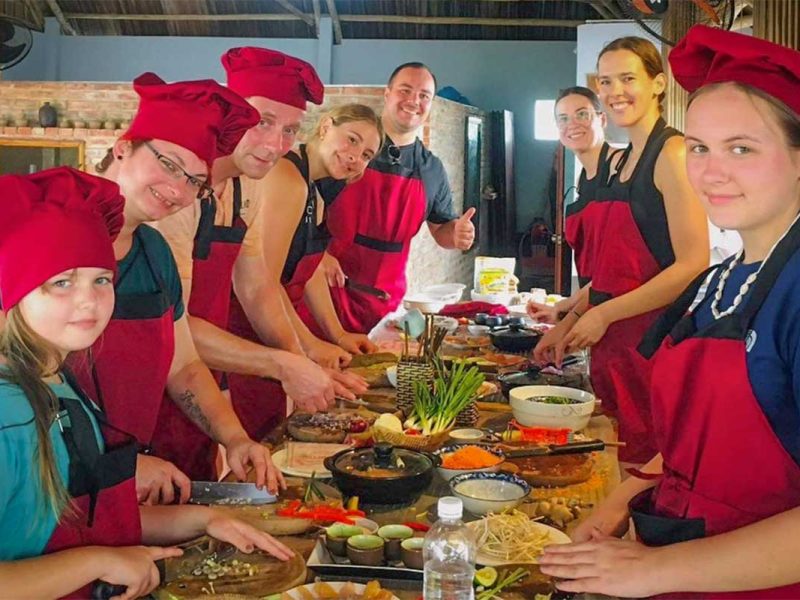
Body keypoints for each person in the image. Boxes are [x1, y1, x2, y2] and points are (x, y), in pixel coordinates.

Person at [540, 25, 800, 598]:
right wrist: (621, 498)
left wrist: (653, 571)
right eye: (702, 148)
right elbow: (691, 440)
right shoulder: (722, 283)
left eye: (742, 148)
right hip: (686, 559)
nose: (709, 171)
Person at [0, 167, 292, 599]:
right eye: (61, 282)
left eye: (101, 279)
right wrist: (99, 561)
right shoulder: (10, 413)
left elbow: (89, 517)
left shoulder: (57, 384)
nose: (89, 300)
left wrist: (204, 519)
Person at [153, 48, 368, 480]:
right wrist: (284, 364)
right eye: (262, 121)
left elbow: (257, 285)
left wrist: (301, 361)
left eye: (289, 130)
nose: (275, 145)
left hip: (200, 374)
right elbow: (171, 326)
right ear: (231, 110)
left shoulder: (244, 188)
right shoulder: (177, 195)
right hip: (150, 384)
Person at [72, 72, 282, 503]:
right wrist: (117, 465)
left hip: (130, 487)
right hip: (54, 492)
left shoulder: (153, 250)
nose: (177, 190)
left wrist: (235, 438)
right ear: (123, 147)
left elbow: (182, 365)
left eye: (194, 181)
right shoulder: (56, 233)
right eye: (168, 164)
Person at [533, 37, 709, 464]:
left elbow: (693, 263)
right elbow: (613, 274)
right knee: (621, 463)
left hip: (655, 344)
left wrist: (602, 314)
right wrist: (571, 321)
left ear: (658, 84)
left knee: (653, 465)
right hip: (615, 346)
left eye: (628, 78)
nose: (615, 91)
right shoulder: (623, 160)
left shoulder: (672, 151)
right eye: (607, 81)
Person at [223, 104, 383, 440]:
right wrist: (306, 348)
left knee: (271, 428)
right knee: (257, 435)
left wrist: (337, 335)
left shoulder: (317, 187)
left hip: (275, 331)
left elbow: (307, 270)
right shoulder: (287, 178)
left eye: (366, 154)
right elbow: (265, 281)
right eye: (351, 140)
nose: (355, 156)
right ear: (325, 126)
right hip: (249, 329)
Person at [317, 62, 476, 334]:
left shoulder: (431, 169)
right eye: (405, 90)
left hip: (386, 303)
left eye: (424, 95)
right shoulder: (350, 150)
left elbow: (441, 231)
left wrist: (458, 233)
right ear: (387, 94)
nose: (414, 101)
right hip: (327, 293)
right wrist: (318, 256)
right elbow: (301, 213)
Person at [527, 86, 611, 324]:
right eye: (563, 118)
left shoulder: (618, 173)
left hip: (620, 315)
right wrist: (562, 308)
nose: (572, 124)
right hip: (596, 306)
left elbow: (618, 270)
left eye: (582, 114)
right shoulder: (585, 179)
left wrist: (571, 317)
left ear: (602, 119)